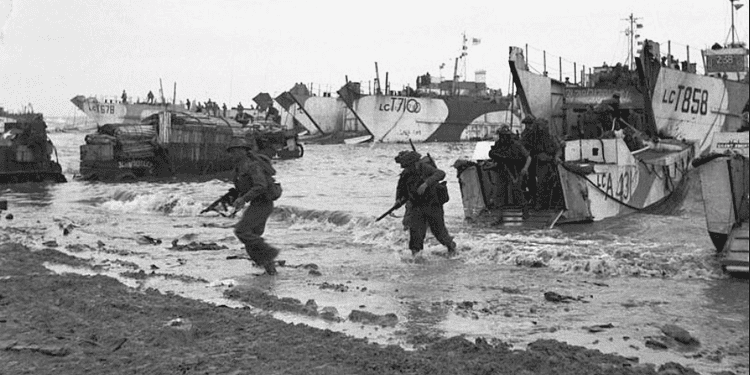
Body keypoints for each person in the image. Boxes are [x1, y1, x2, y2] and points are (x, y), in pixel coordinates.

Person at [227, 137, 281, 276]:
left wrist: (243, 199)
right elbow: (245, 187)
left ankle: (270, 253)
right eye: (231, 152)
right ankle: (270, 271)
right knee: (251, 238)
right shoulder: (240, 167)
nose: (231, 155)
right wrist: (236, 196)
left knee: (242, 231)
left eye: (234, 151)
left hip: (263, 204)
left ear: (243, 151)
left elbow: (260, 186)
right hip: (257, 204)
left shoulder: (252, 165)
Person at [394, 150, 456, 257]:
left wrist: (426, 184)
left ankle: (452, 248)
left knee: (439, 233)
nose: (406, 168)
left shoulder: (424, 167)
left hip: (432, 204)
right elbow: (401, 189)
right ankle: (416, 258)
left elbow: (440, 173)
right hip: (416, 206)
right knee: (415, 234)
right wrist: (398, 200)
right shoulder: (405, 174)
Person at [521, 118, 561, 210]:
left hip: (545, 162)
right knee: (532, 182)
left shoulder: (550, 136)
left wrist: (556, 157)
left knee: (542, 182)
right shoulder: (530, 135)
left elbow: (558, 148)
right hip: (533, 161)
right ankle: (535, 200)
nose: (540, 128)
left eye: (542, 126)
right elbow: (523, 147)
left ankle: (541, 202)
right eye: (538, 126)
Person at [488, 125, 531, 208]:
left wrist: (525, 169)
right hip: (502, 168)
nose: (503, 137)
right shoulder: (498, 144)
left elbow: (528, 157)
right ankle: (500, 208)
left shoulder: (516, 145)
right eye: (501, 135)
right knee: (500, 189)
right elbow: (494, 154)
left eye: (505, 135)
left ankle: (523, 206)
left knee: (517, 189)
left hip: (515, 169)